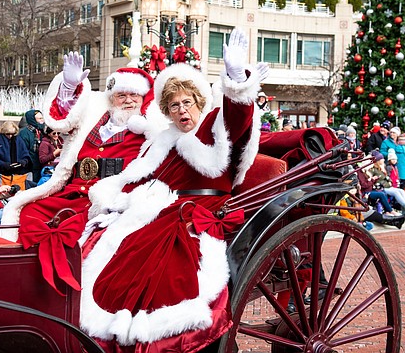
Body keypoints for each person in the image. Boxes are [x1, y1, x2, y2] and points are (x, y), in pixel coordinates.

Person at [79, 28, 268, 352]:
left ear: (198, 102)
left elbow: (237, 117)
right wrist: (119, 201)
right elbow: (142, 176)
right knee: (98, 237)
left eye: (187, 103)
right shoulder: (164, 138)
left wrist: (236, 79)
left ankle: (145, 333)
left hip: (197, 210)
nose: (182, 110)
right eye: (175, 105)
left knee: (152, 256)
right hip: (158, 206)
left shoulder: (211, 128)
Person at [0, 56, 157, 242]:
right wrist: (68, 88)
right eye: (121, 95)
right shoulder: (92, 117)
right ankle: (22, 264)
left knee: (81, 232)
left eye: (134, 95)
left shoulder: (149, 132)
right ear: (112, 98)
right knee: (30, 212)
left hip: (106, 202)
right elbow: (63, 119)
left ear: (143, 98)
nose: (128, 101)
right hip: (70, 194)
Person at [0, 121, 33, 187]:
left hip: (19, 173)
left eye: (12, 134)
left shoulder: (19, 139)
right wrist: (3, 165)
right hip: (2, 174)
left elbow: (25, 154)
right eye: (8, 134)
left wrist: (23, 162)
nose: (10, 136)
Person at [19, 109, 44, 182]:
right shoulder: (24, 133)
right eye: (40, 118)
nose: (42, 120)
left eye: (42, 118)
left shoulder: (41, 131)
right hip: (29, 167)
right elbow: (23, 151)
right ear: (32, 119)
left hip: (39, 165)